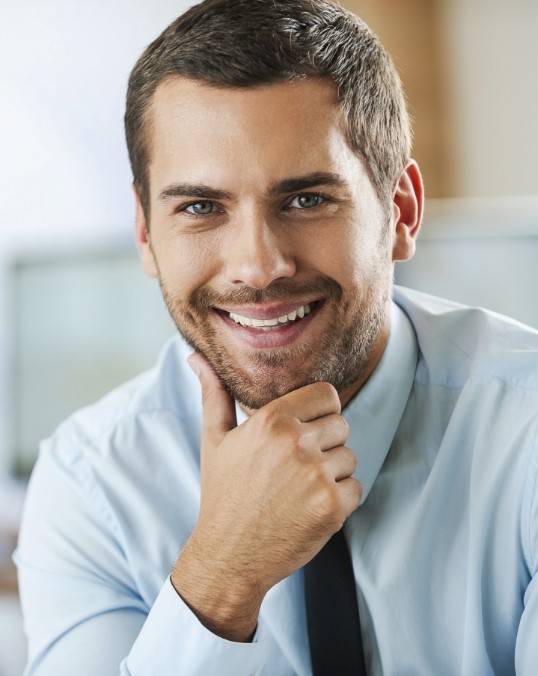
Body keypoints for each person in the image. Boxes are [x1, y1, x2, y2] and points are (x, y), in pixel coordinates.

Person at [14, 0, 538, 674]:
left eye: (307, 199)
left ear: (401, 211)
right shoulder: (93, 481)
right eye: (201, 207)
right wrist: (221, 575)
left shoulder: (524, 427)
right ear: (146, 235)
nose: (259, 266)